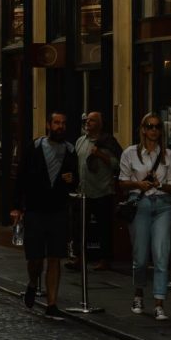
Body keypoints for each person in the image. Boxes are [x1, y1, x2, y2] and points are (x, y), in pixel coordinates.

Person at [11, 110, 78, 319]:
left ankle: (52, 303)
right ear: (48, 125)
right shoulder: (35, 147)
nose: (60, 127)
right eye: (56, 123)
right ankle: (33, 282)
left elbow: (76, 180)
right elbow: (21, 177)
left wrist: (72, 180)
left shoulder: (70, 150)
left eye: (63, 123)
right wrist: (16, 207)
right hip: (35, 210)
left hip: (58, 210)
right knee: (35, 259)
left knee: (55, 257)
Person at [120, 112, 171, 321]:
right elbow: (122, 182)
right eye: (150, 126)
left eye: (157, 127)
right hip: (140, 205)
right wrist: (139, 184)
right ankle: (138, 294)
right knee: (140, 257)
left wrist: (159, 184)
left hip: (163, 206)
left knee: (162, 254)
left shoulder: (168, 155)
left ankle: (159, 303)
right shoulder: (130, 153)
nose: (154, 130)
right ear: (143, 129)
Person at [71, 111, 121, 270]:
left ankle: (104, 259)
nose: (87, 122)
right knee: (80, 227)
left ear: (99, 124)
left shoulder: (108, 142)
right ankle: (79, 257)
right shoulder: (80, 141)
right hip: (84, 191)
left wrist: (100, 155)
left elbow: (117, 164)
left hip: (102, 191)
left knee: (103, 228)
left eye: (92, 120)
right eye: (86, 120)